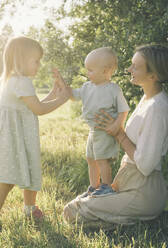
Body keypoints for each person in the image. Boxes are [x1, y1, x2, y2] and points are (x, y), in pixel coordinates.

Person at [63, 44, 168, 225]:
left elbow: (146, 165)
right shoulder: (147, 99)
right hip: (128, 180)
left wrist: (119, 134)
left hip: (143, 189)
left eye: (136, 67)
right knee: (78, 205)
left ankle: (136, 216)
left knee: (71, 212)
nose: (129, 69)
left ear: (153, 75)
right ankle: (123, 216)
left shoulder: (157, 108)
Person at [0, 36, 70, 228]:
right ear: (21, 59)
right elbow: (38, 109)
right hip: (13, 138)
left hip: (17, 136)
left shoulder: (14, 80)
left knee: (30, 169)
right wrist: (62, 99)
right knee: (7, 181)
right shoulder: (21, 82)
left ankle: (29, 209)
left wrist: (54, 95)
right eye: (36, 61)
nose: (39, 65)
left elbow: (33, 105)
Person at [55, 47, 129, 197]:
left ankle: (107, 186)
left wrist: (117, 125)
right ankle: (94, 186)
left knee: (102, 159)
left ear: (105, 71)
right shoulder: (87, 87)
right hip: (93, 130)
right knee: (91, 158)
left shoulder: (113, 89)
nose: (87, 73)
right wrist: (63, 84)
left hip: (105, 131)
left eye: (90, 70)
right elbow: (73, 95)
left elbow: (123, 109)